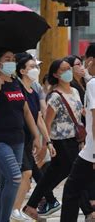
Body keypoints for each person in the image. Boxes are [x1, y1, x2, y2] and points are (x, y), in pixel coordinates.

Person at [23, 59, 92, 219]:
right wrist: (45, 144)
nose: (68, 72)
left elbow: (78, 113)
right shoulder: (54, 96)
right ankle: (89, 211)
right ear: (55, 74)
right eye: (63, 70)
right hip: (61, 143)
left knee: (52, 176)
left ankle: (31, 206)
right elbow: (47, 122)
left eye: (69, 68)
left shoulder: (74, 91)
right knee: (76, 176)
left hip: (75, 140)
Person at [0, 49, 40, 222]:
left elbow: (26, 111)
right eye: (7, 59)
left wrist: (36, 136)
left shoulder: (16, 82)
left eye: (13, 59)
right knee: (15, 177)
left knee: (8, 181)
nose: (11, 62)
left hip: (18, 138)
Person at [11, 54, 54, 221]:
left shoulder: (34, 90)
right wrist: (38, 137)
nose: (36, 70)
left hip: (28, 140)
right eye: (31, 67)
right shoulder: (17, 88)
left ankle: (14, 209)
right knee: (26, 174)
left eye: (36, 66)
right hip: (16, 138)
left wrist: (47, 140)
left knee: (25, 177)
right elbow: (25, 115)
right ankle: (14, 210)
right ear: (22, 71)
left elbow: (38, 117)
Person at [61, 53, 95, 221]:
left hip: (91, 152)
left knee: (71, 189)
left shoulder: (93, 84)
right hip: (89, 150)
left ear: (91, 61)